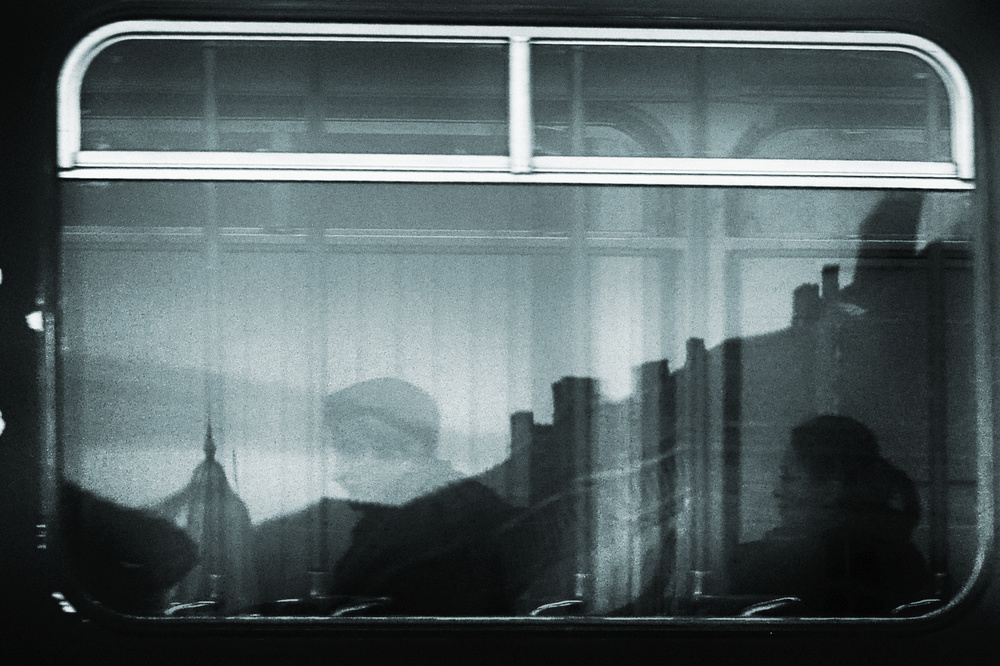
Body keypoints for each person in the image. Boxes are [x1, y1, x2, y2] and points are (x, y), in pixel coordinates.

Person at [729, 415, 933, 616]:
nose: (777, 491)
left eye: (788, 478)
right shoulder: (901, 552)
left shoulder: (801, 562)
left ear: (830, 490)